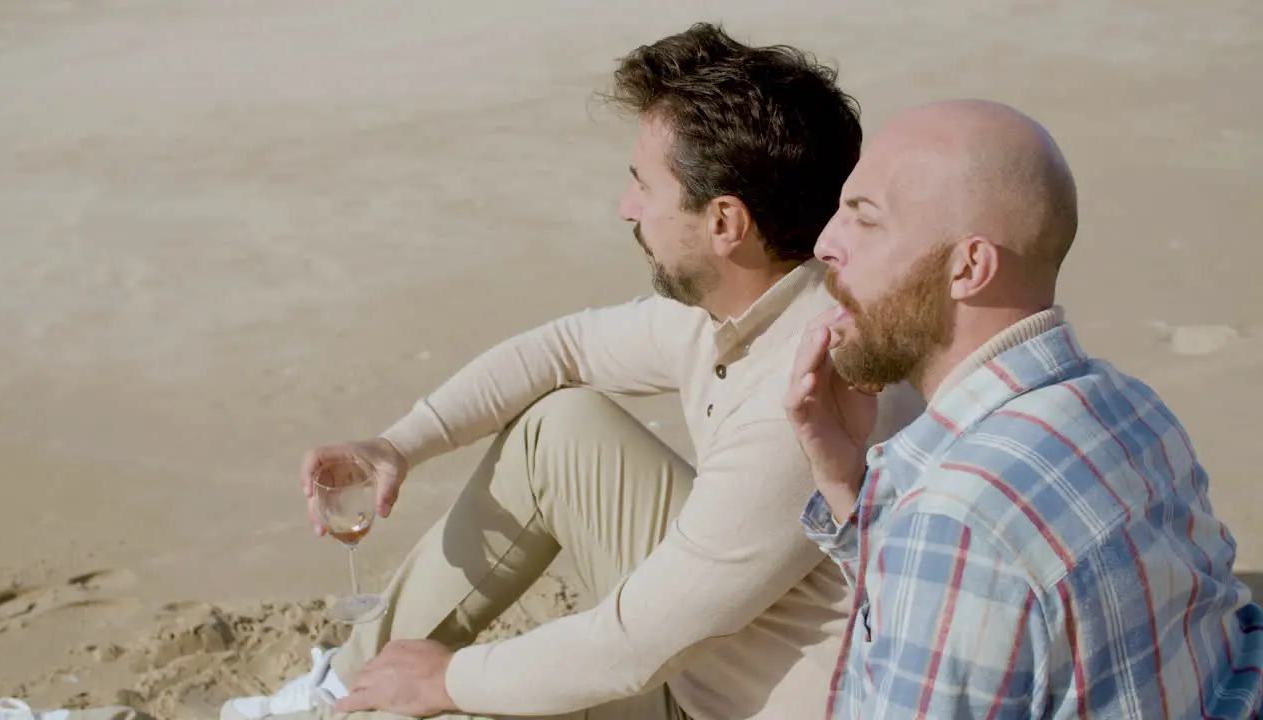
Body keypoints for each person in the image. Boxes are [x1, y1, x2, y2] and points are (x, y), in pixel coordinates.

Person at [220, 23, 922, 720]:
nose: (627, 208)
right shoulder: (755, 300)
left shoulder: (804, 395)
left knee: (444, 703)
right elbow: (565, 348)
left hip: (725, 704)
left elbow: (631, 646)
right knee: (562, 426)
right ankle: (341, 691)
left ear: (724, 223)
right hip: (704, 657)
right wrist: (398, 445)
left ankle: (369, 702)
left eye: (644, 187)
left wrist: (448, 680)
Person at [786, 97, 1263, 718]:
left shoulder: (957, 522)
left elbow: (967, 559)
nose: (825, 242)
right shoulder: (1135, 412)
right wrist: (848, 485)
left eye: (865, 220)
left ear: (969, 268)